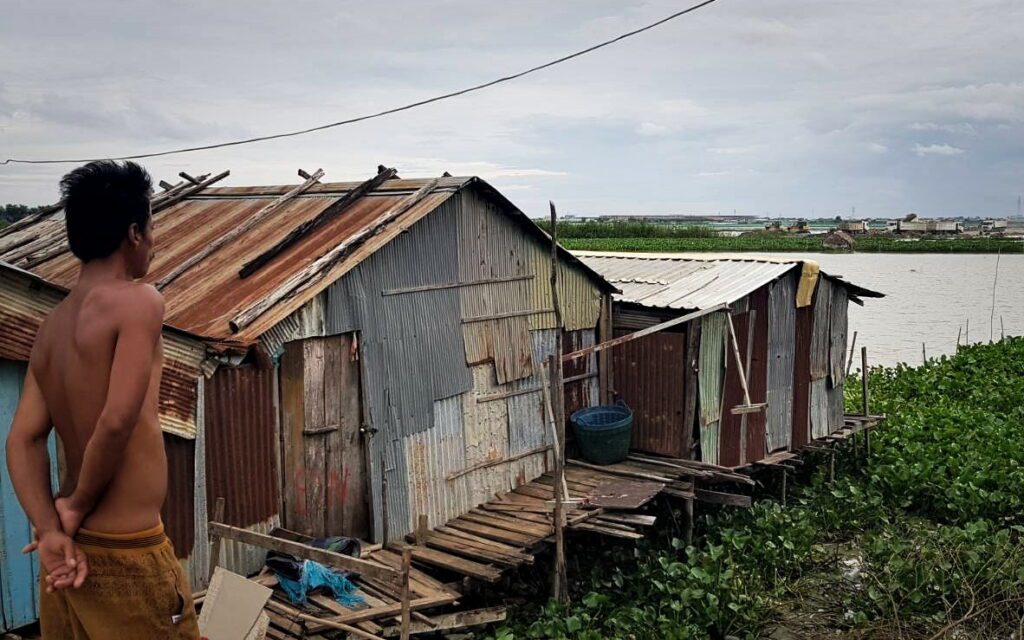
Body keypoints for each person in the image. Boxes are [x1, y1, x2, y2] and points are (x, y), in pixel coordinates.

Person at [5, 161, 200, 639]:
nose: (153, 240)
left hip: (69, 556)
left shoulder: (51, 327)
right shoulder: (140, 301)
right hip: (128, 549)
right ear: (134, 233)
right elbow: (117, 420)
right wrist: (76, 504)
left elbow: (22, 439)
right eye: (152, 227)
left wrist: (50, 529)